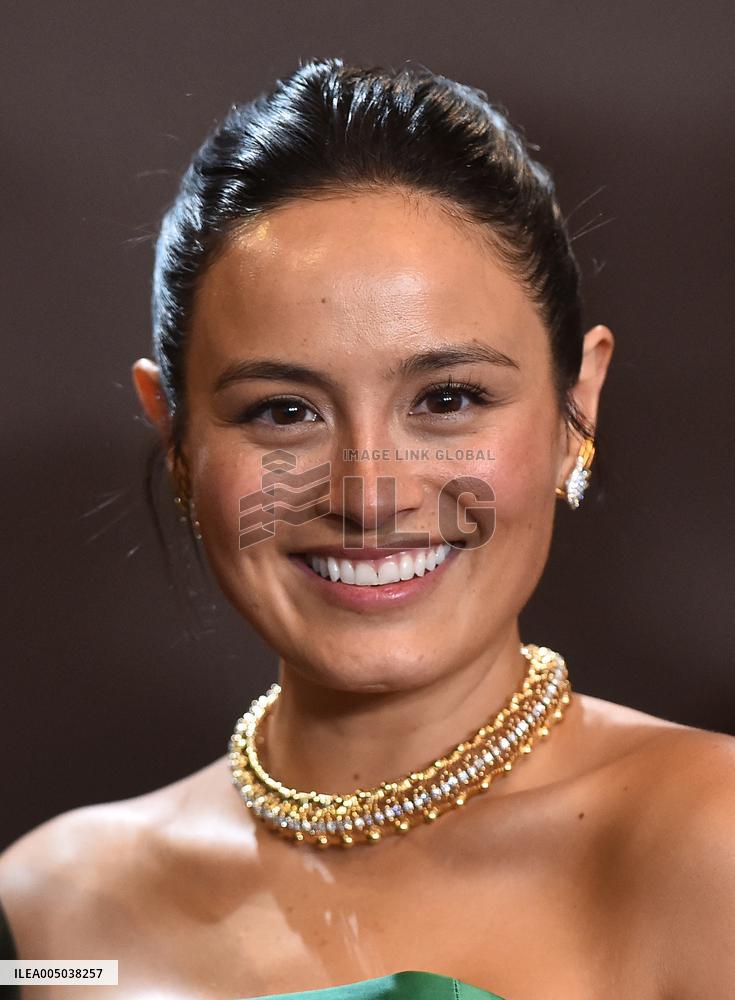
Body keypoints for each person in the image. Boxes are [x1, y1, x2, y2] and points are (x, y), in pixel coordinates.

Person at [1, 56, 733, 1000]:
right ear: (175, 436)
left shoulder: (710, 845)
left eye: (449, 398)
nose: (368, 495)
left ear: (574, 406)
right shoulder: (50, 917)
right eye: (281, 412)